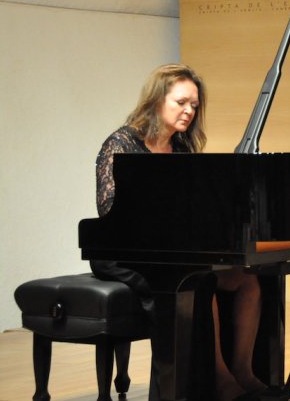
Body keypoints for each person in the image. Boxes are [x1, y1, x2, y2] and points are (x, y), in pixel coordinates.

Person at [90, 63, 267, 401]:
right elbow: (110, 212)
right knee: (195, 282)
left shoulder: (182, 148)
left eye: (194, 105)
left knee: (248, 279)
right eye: (181, 102)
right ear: (157, 101)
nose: (189, 111)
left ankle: (242, 369)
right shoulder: (122, 143)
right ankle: (217, 380)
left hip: (174, 250)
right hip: (124, 254)